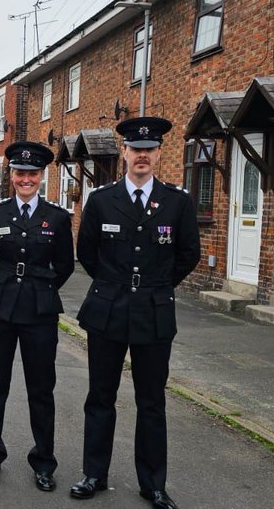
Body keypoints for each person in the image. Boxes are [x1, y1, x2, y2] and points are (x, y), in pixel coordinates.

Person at [69, 117, 200, 509]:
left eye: (149, 150)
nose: (141, 156)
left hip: (154, 312)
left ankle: (153, 484)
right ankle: (94, 473)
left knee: (152, 401)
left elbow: (187, 255)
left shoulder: (177, 201)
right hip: (108, 310)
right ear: (124, 152)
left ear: (159, 154)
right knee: (100, 397)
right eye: (135, 149)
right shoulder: (102, 199)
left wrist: (155, 286)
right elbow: (87, 254)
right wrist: (115, 285)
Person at [0, 141, 74, 494]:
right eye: (20, 173)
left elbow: (64, 266)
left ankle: (44, 461)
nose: (25, 179)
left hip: (40, 310)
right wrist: (1, 286)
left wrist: (37, 287)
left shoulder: (57, 217)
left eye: (32, 173)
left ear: (41, 176)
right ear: (11, 175)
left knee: (41, 389)